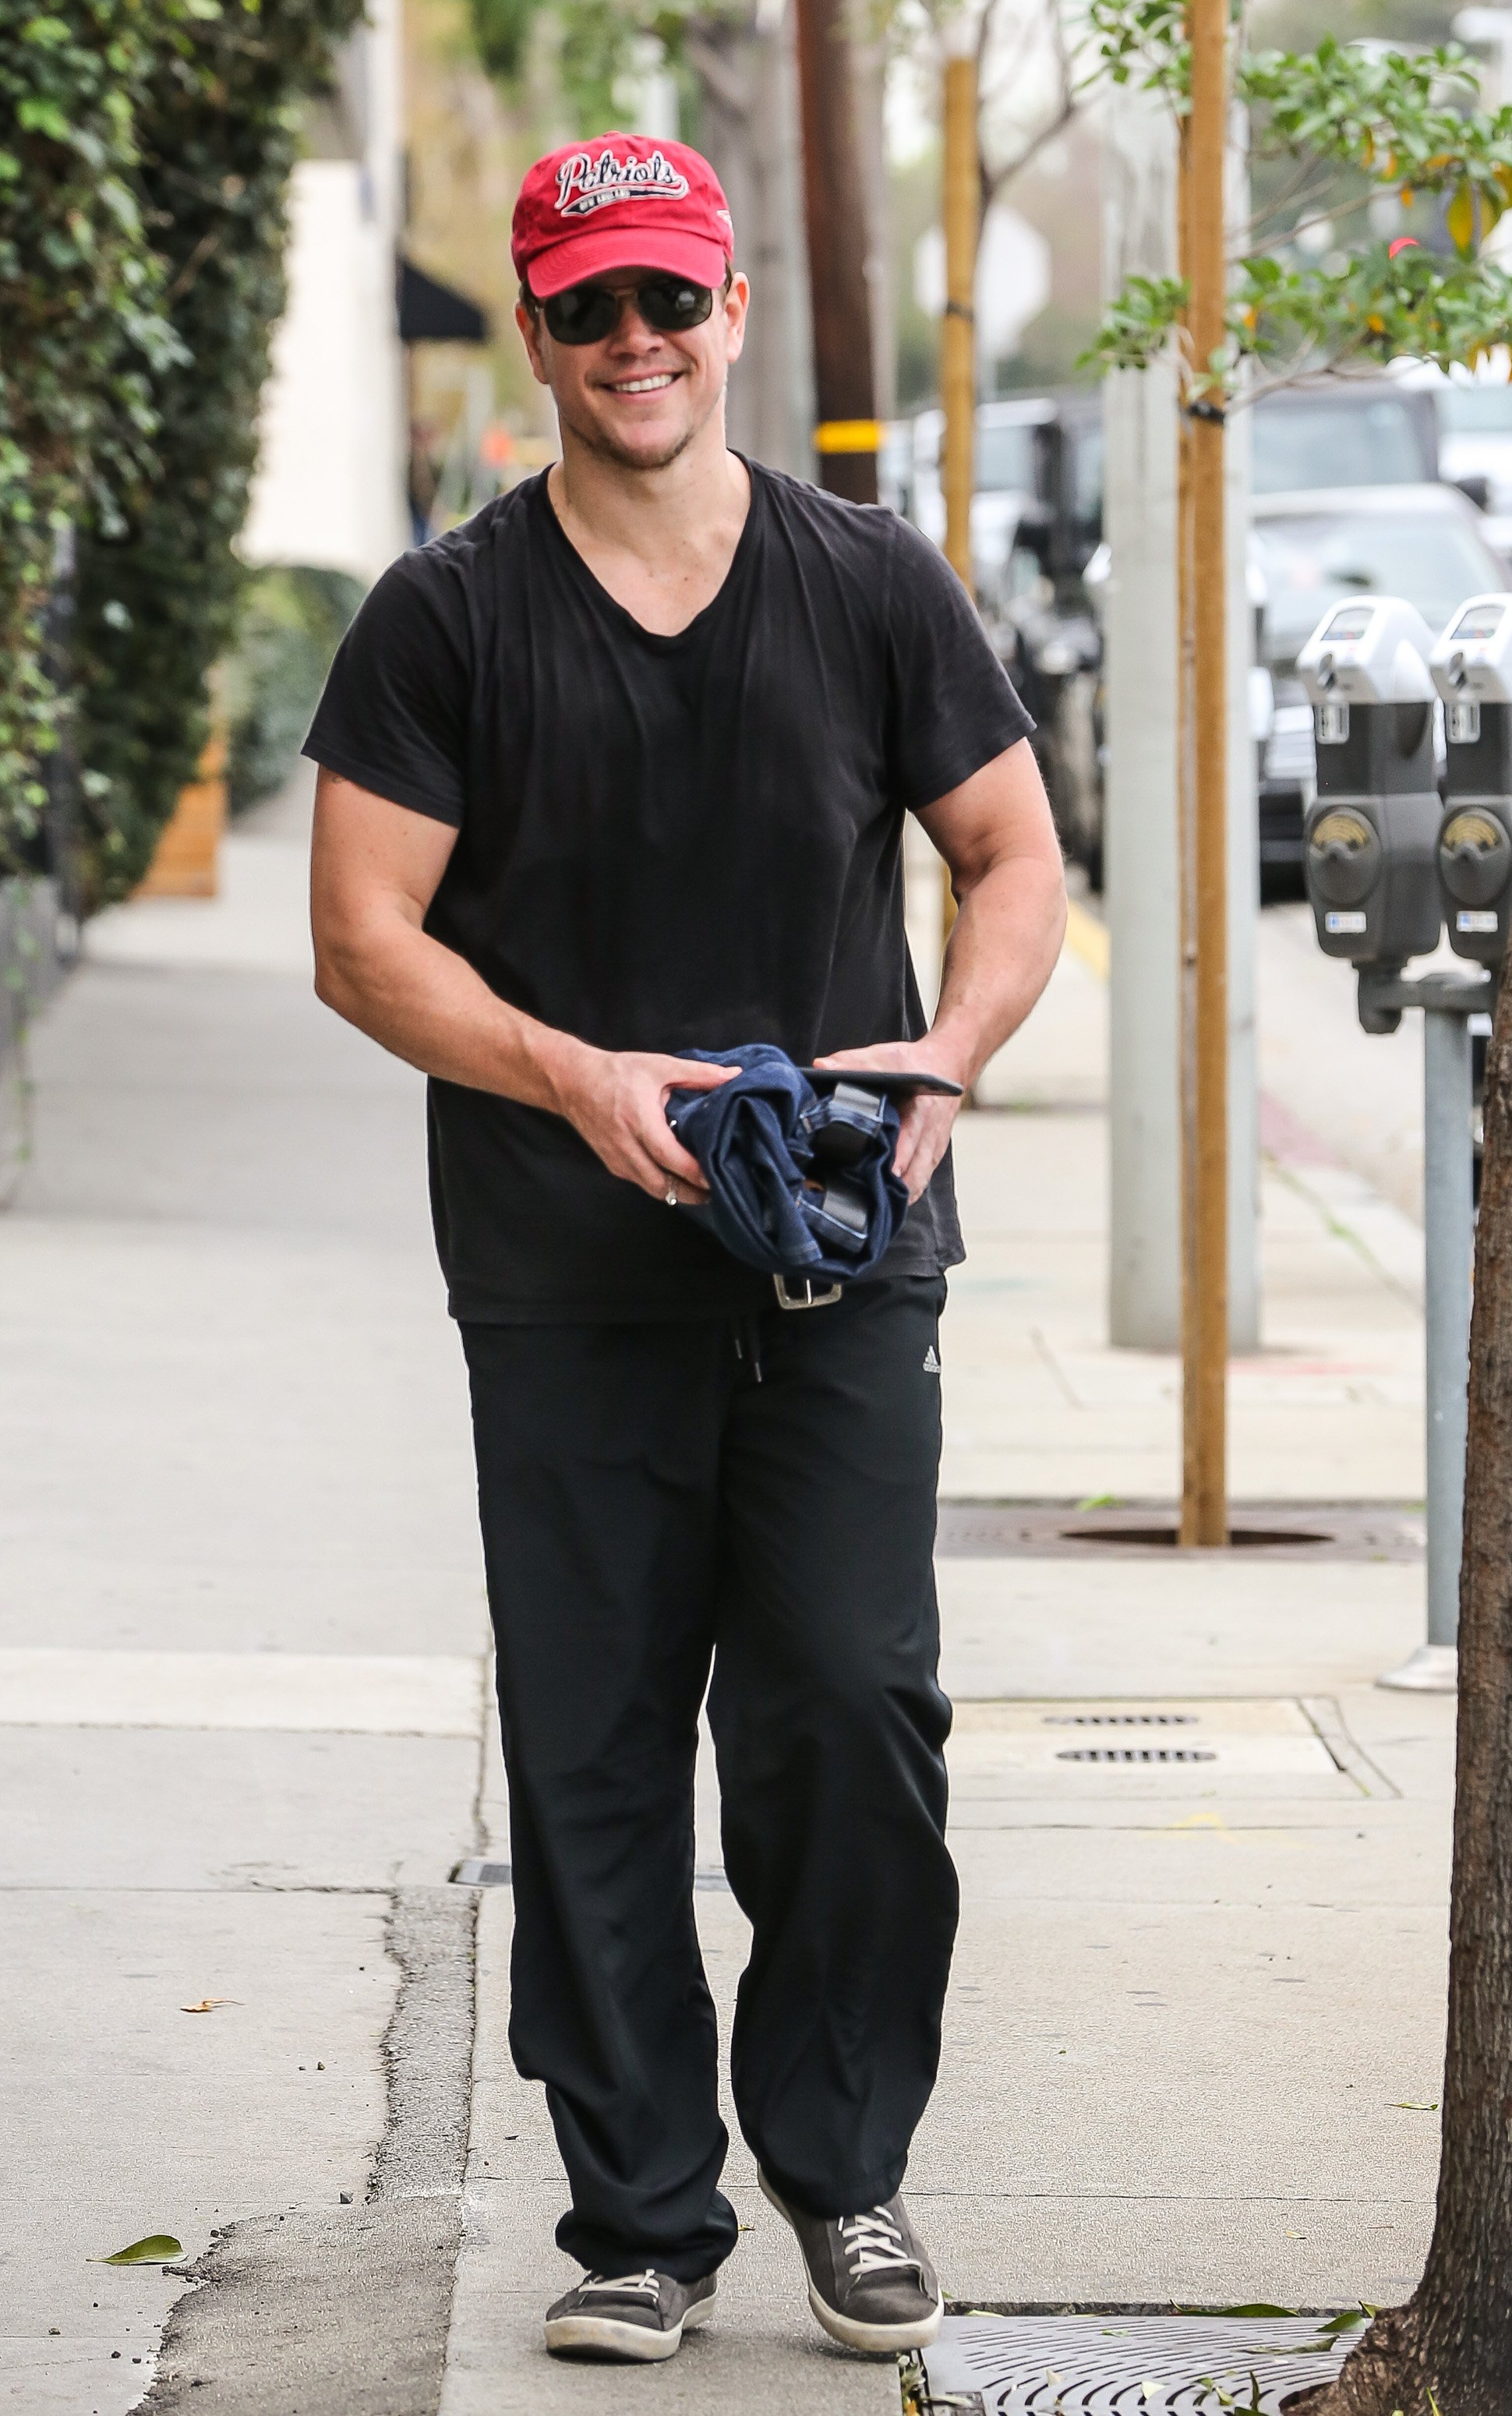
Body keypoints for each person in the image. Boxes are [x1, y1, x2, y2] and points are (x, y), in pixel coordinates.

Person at [306, 130, 1066, 2367]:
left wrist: (945, 1051)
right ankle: (638, 2213)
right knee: (596, 1740)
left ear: (730, 310)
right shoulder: (448, 615)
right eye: (588, 309)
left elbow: (1012, 858)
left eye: (669, 302)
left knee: (850, 1705)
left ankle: (840, 2169)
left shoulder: (870, 585)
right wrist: (572, 1074)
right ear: (537, 334)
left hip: (843, 1246)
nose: (634, 344)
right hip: (561, 1269)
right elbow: (364, 942)